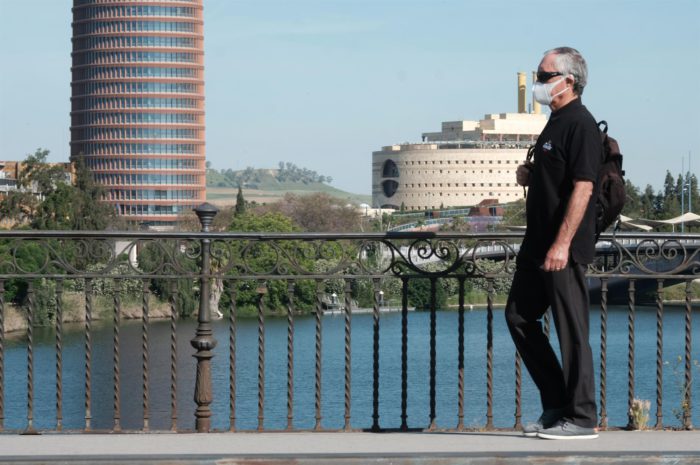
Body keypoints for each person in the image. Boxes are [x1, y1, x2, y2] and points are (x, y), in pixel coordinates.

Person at [506, 47, 601, 440]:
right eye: (539, 75)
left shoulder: (581, 124)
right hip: (537, 243)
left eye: (545, 76)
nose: (540, 83)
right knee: (519, 317)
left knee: (570, 329)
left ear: (568, 81)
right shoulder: (555, 122)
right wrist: (531, 173)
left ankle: (581, 418)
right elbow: (556, 176)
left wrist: (562, 245)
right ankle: (557, 404)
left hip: (562, 246)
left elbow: (583, 187)